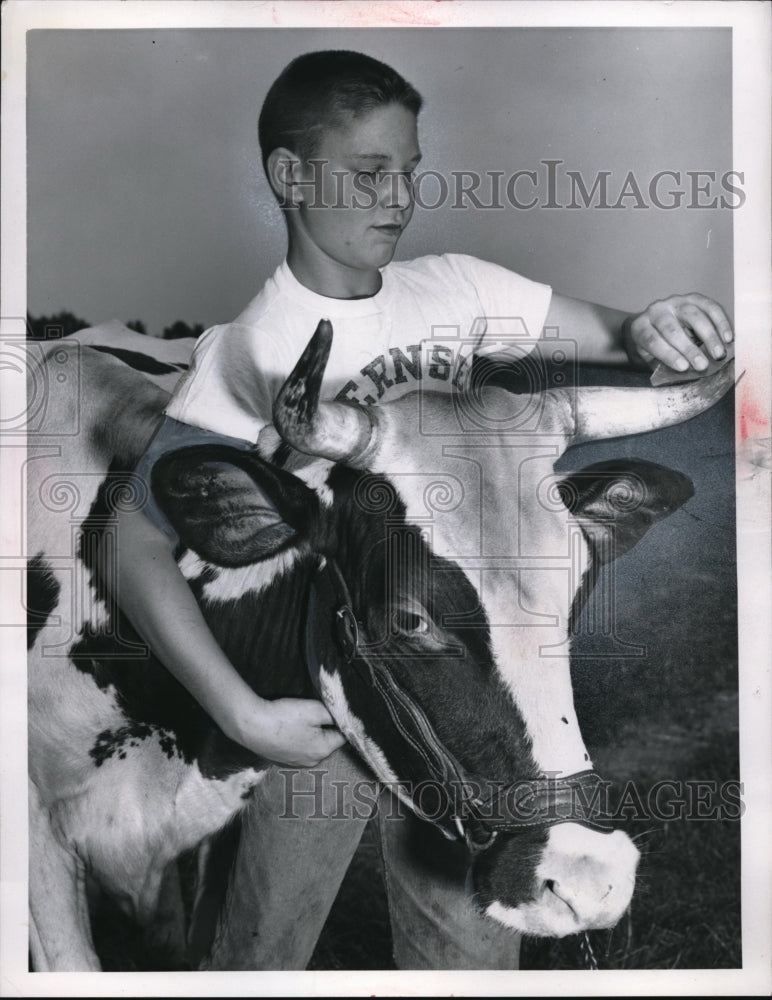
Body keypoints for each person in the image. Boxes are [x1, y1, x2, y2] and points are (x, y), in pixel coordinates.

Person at [113, 50, 734, 969]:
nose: (397, 197)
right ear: (289, 177)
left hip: (465, 698)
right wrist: (242, 714)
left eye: (408, 170)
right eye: (369, 173)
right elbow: (133, 547)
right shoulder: (251, 350)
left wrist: (651, 325)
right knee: (262, 941)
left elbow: (618, 335)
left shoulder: (456, 289)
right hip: (315, 693)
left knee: (472, 944)